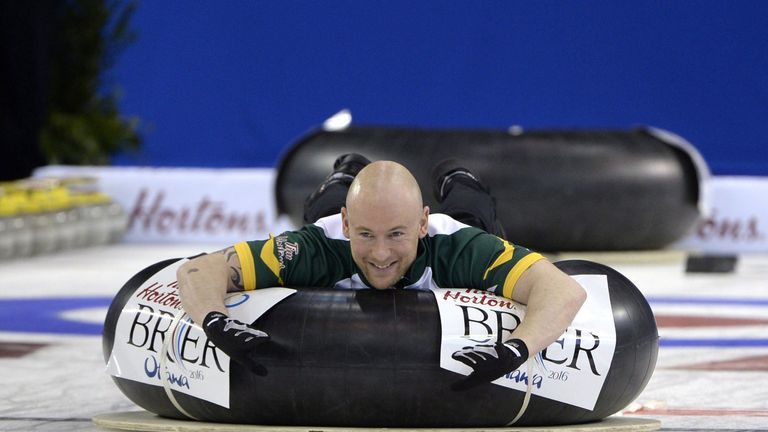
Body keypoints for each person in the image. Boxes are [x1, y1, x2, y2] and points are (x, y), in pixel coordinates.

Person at [178, 154, 586, 390]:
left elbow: (563, 291)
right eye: (365, 234)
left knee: (474, 214)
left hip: (459, 226)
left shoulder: (460, 247)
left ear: (423, 223)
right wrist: (214, 321)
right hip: (334, 226)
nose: (380, 253)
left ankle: (457, 175)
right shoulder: (317, 245)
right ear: (346, 224)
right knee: (322, 217)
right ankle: (344, 176)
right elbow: (199, 270)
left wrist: (513, 348)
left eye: (397, 234)